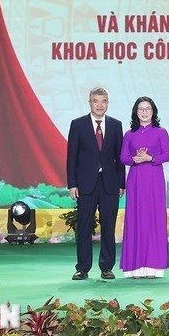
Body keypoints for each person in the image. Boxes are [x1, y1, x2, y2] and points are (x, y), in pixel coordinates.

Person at [66, 87, 124, 280]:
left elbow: (120, 158)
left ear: (108, 103)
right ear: (89, 102)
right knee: (84, 226)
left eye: (104, 101)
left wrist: (121, 184)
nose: (100, 105)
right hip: (85, 185)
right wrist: (72, 184)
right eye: (96, 101)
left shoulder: (116, 125)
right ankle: (82, 268)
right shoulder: (78, 124)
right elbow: (71, 157)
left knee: (109, 225)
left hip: (110, 184)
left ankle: (106, 267)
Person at [119, 96, 169, 278]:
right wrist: (135, 158)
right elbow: (123, 158)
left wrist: (150, 158)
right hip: (135, 179)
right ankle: (135, 267)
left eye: (147, 108)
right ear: (136, 112)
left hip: (154, 178)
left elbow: (168, 155)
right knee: (136, 218)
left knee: (153, 219)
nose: (144, 112)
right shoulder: (129, 134)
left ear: (153, 111)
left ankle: (154, 268)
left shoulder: (161, 132)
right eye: (141, 109)